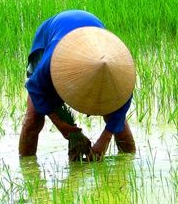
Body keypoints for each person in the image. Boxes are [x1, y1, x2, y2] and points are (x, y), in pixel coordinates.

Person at [19, 9, 136, 160]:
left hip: (95, 39)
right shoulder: (52, 60)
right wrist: (60, 124)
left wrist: (104, 140)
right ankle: (27, 167)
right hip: (54, 33)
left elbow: (120, 108)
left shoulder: (117, 71)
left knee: (114, 112)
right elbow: (35, 88)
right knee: (33, 118)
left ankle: (129, 161)